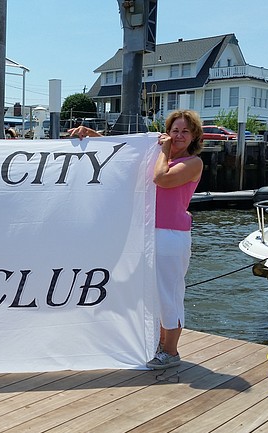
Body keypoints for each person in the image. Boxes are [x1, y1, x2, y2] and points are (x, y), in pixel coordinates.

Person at [68, 110, 204, 370]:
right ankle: (159, 346)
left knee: (169, 294)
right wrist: (92, 135)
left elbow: (161, 179)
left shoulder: (192, 163)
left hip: (171, 235)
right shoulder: (156, 156)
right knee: (149, 293)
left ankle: (171, 352)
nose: (178, 135)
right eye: (175, 130)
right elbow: (123, 154)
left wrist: (163, 150)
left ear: (194, 136)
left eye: (185, 131)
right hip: (147, 233)